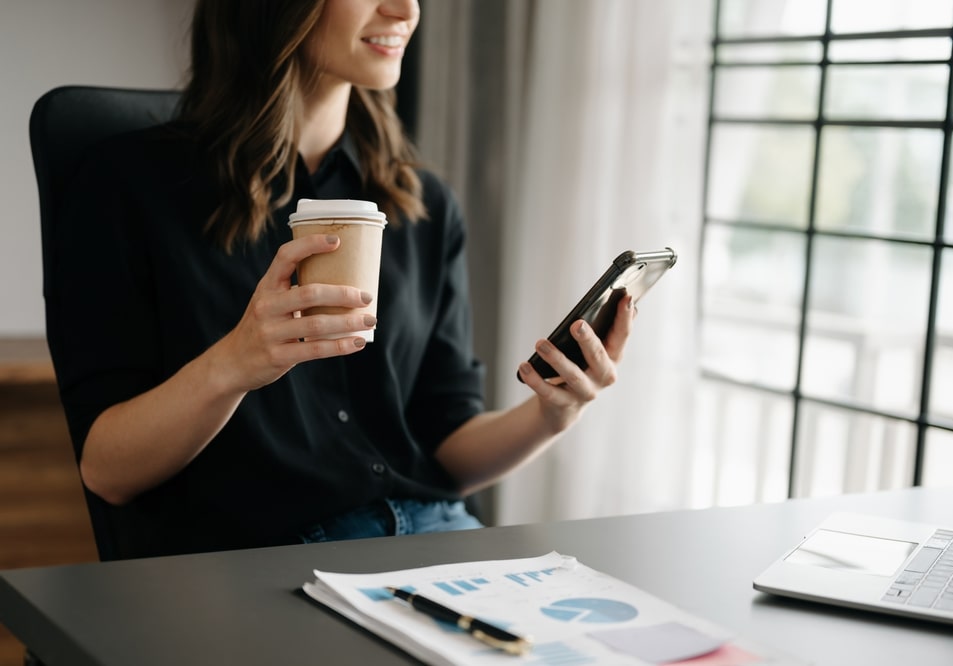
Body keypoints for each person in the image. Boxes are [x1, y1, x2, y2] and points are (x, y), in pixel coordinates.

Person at [50, 0, 636, 558]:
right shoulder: (126, 186)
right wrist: (234, 363)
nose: (407, 12)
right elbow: (108, 471)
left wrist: (552, 415)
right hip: (269, 566)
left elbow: (447, 446)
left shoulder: (422, 205)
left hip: (437, 539)